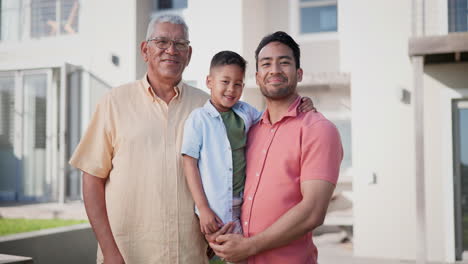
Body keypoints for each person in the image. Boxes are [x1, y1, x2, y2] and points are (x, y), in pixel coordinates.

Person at [69, 15, 211, 264]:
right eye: (162, 42)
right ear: (145, 50)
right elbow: (91, 180)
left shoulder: (206, 107)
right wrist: (110, 251)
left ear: (189, 55)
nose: (171, 50)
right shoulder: (114, 102)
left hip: (189, 255)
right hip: (127, 255)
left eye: (180, 44)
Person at [209, 31, 343, 264]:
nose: (275, 70)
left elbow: (313, 211)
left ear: (298, 74)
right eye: (266, 64)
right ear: (258, 76)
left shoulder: (319, 129)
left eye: (284, 62)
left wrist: (248, 247)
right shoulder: (248, 128)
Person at [181, 51, 314, 263]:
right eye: (225, 82)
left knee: (242, 255)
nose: (231, 89)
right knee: (223, 254)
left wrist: (302, 104)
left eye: (238, 84)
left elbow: (274, 120)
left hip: (243, 207)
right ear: (209, 81)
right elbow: (189, 163)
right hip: (215, 209)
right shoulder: (199, 119)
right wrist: (203, 208)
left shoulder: (246, 112)